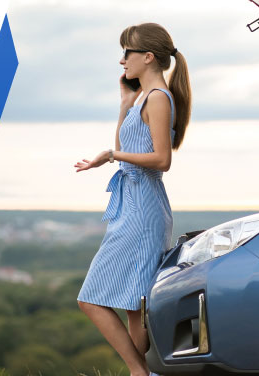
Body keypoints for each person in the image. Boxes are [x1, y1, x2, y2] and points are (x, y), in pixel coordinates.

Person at [73, 22, 191, 376]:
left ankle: (139, 372)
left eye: (127, 52)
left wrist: (111, 155)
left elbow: (161, 159)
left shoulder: (158, 98)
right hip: (134, 204)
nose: (122, 61)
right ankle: (147, 371)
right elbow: (128, 147)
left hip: (142, 210)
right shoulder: (143, 97)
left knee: (90, 298)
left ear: (148, 57)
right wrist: (125, 105)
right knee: (134, 308)